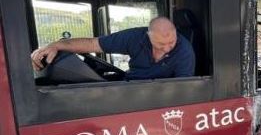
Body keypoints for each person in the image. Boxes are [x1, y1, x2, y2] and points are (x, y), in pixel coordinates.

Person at [31, 17, 195, 79]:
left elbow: (183, 87)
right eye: (160, 44)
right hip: (130, 86)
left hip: (157, 96)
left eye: (171, 42)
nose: (167, 48)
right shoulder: (134, 37)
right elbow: (92, 44)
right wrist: (56, 45)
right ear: (148, 35)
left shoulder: (184, 51)